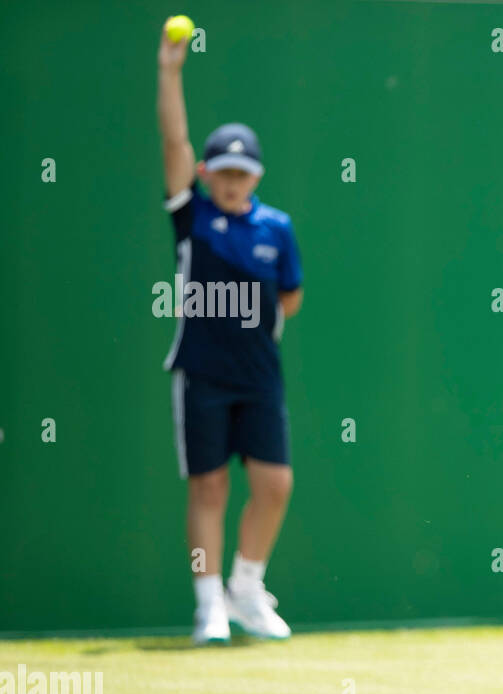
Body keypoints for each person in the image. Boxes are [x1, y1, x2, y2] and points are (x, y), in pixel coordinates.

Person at [157, 23, 303, 645]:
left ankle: (246, 588)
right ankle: (207, 602)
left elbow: (290, 296)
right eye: (222, 169)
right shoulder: (193, 215)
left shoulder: (278, 226)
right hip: (202, 372)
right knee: (209, 485)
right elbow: (174, 140)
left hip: (259, 373)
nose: (232, 179)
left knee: (275, 485)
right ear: (207, 172)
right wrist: (170, 69)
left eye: (243, 171)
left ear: (256, 175)